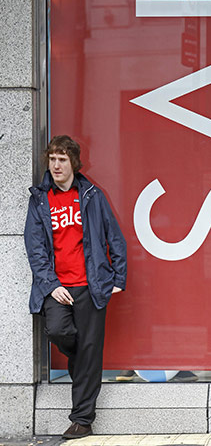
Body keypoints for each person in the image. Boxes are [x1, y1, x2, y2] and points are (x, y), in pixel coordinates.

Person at [24, 135, 127, 439]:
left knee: (91, 352)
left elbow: (114, 237)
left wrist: (118, 279)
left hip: (91, 286)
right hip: (59, 288)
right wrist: (50, 285)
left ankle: (82, 420)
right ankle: (79, 362)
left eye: (62, 159)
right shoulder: (41, 199)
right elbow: (35, 247)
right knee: (59, 332)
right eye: (52, 159)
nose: (56, 165)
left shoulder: (92, 196)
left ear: (73, 163)